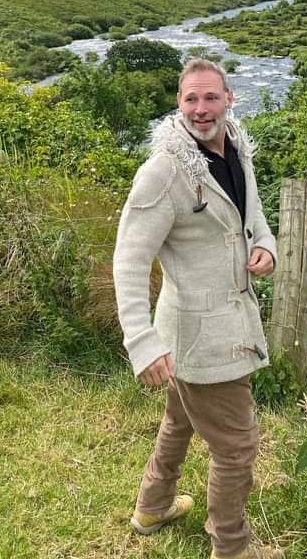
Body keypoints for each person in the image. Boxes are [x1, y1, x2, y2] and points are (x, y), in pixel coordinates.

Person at [113, 58, 283, 559]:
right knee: (235, 447)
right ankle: (231, 547)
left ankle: (152, 506)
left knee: (180, 421)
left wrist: (266, 248)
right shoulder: (164, 172)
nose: (201, 109)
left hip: (227, 320)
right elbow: (128, 259)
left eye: (211, 97)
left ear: (230, 99)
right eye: (191, 99)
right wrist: (142, 344)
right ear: (179, 103)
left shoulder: (237, 148)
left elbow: (253, 216)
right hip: (201, 335)